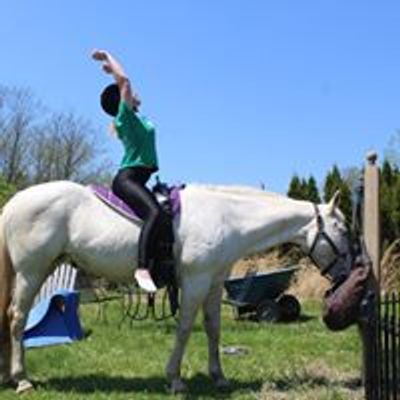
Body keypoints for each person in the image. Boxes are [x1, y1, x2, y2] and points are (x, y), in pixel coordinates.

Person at [92, 49, 162, 293]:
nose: (135, 94)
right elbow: (125, 82)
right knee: (155, 214)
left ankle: (160, 265)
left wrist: (111, 74)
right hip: (127, 179)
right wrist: (107, 57)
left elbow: (123, 84)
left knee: (162, 214)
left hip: (139, 178)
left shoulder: (134, 118)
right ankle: (142, 268)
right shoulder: (125, 118)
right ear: (122, 101)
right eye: (129, 94)